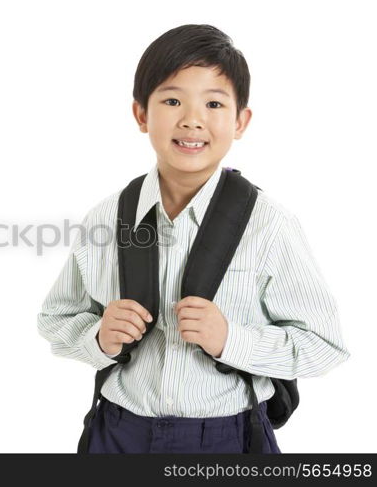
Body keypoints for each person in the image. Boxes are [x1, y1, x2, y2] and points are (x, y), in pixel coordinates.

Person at [36, 24, 350, 453]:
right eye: (171, 100)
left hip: (227, 436)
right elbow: (57, 318)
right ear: (141, 114)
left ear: (241, 121)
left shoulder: (269, 225)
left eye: (214, 103)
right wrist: (99, 337)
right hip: (118, 431)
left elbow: (325, 344)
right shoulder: (107, 218)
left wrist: (230, 340)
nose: (192, 119)